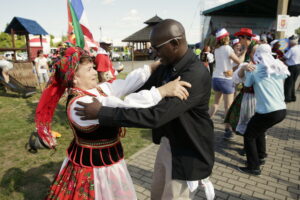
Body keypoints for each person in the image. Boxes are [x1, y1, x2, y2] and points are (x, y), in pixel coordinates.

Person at [74, 19, 215, 200]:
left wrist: (102, 113)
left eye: (157, 48)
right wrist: (107, 95)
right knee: (156, 194)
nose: (154, 52)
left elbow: (156, 116)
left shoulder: (193, 75)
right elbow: (141, 94)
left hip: (187, 151)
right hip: (168, 144)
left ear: (175, 43)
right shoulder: (166, 66)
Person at [35, 46, 191, 199]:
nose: (96, 72)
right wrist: (161, 91)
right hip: (95, 169)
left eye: (93, 67)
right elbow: (124, 107)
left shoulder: (96, 90)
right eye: (89, 69)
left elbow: (124, 84)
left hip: (109, 161)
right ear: (74, 78)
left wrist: (152, 66)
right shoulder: (80, 104)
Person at [238, 44, 289, 175]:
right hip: (281, 109)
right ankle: (260, 156)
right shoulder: (278, 67)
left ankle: (253, 166)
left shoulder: (254, 70)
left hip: (267, 110)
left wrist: (247, 68)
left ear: (257, 55)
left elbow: (247, 84)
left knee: (249, 135)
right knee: (259, 130)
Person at [224, 28, 258, 139]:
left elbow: (255, 66)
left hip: (254, 90)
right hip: (247, 88)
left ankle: (250, 144)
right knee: (237, 113)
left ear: (245, 37)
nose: (239, 40)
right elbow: (241, 65)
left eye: (240, 37)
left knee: (250, 117)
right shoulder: (248, 48)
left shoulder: (255, 48)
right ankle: (244, 138)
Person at [209, 28, 241, 140]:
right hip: (226, 79)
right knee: (228, 106)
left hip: (216, 78)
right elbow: (239, 62)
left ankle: (204, 123)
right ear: (226, 38)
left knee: (216, 103)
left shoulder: (216, 49)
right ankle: (228, 130)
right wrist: (245, 52)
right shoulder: (228, 48)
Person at [283, 35, 300, 102]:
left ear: (292, 42)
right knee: (293, 82)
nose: (289, 43)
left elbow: (285, 57)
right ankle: (293, 97)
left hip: (292, 67)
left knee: (288, 83)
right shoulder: (299, 47)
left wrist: (279, 59)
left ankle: (287, 98)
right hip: (298, 67)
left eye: (289, 42)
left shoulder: (292, 49)